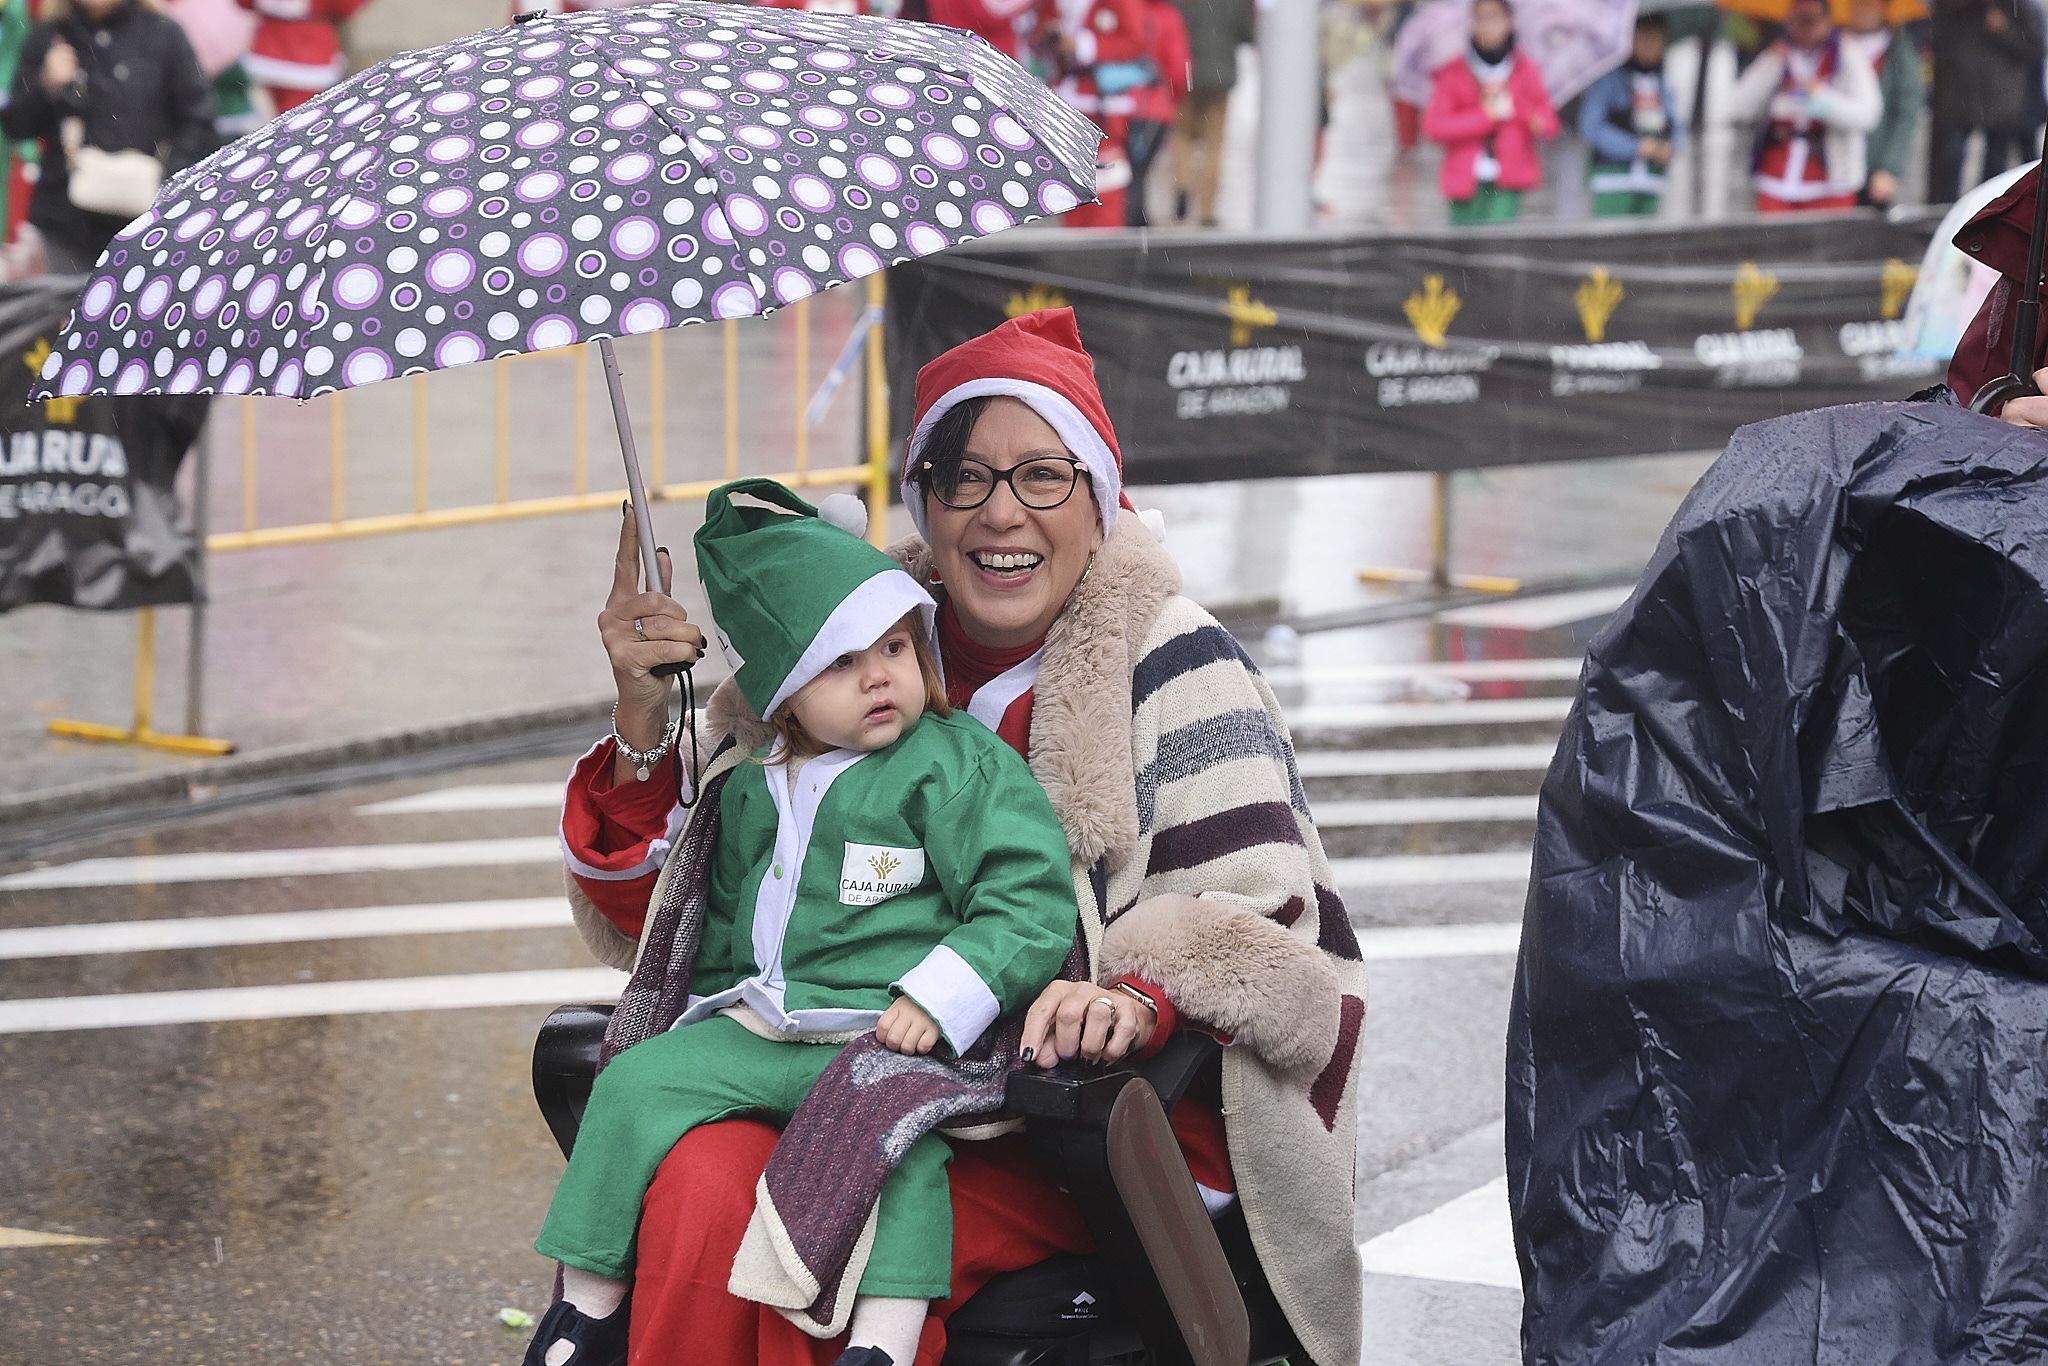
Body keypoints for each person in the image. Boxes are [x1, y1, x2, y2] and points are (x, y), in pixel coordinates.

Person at [556, 307, 1366, 1366]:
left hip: (1066, 1124)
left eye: (1040, 474)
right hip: (825, 1065)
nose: (1001, 513)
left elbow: (1268, 928)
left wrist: (1128, 991)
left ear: (1097, 494)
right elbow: (667, 928)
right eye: (963, 477)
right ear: (924, 503)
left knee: (811, 1246)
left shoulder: (1173, 660)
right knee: (694, 1189)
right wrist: (640, 721)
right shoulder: (836, 648)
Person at [525, 479, 1078, 1366]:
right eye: (839, 661)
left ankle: (884, 1346)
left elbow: (1025, 894)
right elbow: (714, 923)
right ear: (782, 692)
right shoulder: (752, 782)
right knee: (634, 1084)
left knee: (891, 1149)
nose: (879, 675)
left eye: (897, 646)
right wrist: (696, 1011)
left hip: (888, 1036)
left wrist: (942, 997)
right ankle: (585, 1309)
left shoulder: (953, 762)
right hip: (769, 1026)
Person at [0, 0, 213, 274]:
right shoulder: (50, 36)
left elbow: (199, 120)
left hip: (144, 225)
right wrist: (46, 85)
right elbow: (16, 126)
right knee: (63, 313)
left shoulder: (164, 35)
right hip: (63, 222)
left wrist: (164, 181)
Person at [1729, 0, 1882, 213]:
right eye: (1797, 20)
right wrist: (1771, 66)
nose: (1803, 28)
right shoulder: (1779, 54)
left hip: (1829, 180)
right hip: (1777, 176)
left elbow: (1868, 114)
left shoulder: (1847, 53)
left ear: (1827, 21)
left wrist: (1823, 100)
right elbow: (1738, 107)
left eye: (1811, 20)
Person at [1423, 0, 1558, 227]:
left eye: (1494, 17)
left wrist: (1525, 114)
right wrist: (1485, 117)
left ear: (1509, 21)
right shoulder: (1454, 72)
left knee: (1499, 242)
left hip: (1509, 177)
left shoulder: (1526, 69)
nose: (1487, 26)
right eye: (1480, 18)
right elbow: (1434, 127)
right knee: (1464, 249)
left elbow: (1549, 124)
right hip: (1464, 179)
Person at [1929, 0, 2044, 205]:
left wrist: (2005, 29)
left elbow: (2034, 49)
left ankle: (1986, 213)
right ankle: (1943, 215)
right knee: (1948, 164)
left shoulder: (2019, 7)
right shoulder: (1953, 8)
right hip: (1958, 95)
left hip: (2001, 100)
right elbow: (1935, 37)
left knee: (1994, 169)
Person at [1578, 12, 1680, 219]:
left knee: (1645, 246)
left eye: (1656, 38)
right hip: (1613, 177)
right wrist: (1635, 147)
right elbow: (1591, 126)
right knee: (1611, 242)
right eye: (1644, 37)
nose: (1650, 45)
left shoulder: (1660, 84)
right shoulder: (1609, 80)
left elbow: (1675, 124)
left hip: (1651, 179)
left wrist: (1671, 147)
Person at [1168, 0, 1253, 226]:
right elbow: (1247, 32)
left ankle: (1182, 191)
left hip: (1185, 72)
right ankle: (1207, 209)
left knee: (1182, 137)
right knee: (1214, 144)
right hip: (1219, 76)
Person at [1841, 0, 1923, 209]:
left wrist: (1889, 168)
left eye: (1868, 4)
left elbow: (1906, 113)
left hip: (1872, 162)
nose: (1860, 9)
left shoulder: (1898, 51)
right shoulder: (1835, 43)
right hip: (1835, 164)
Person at [1124, 0, 1190, 227]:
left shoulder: (1124, 10)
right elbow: (1179, 71)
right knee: (1138, 175)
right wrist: (1170, 98)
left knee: (1122, 174)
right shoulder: (1169, 16)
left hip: (1118, 106)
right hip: (1154, 109)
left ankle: (1125, 228)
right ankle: (1135, 231)